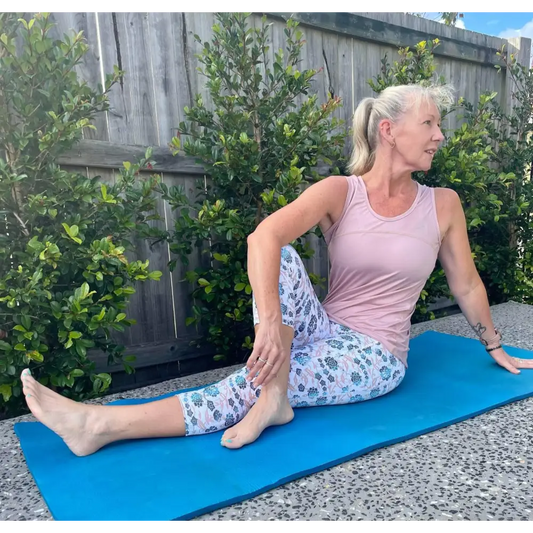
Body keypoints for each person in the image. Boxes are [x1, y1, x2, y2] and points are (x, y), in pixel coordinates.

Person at [20, 83, 533, 457]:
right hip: (322, 327)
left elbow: (466, 281)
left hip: (375, 354)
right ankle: (274, 394)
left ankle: (101, 426)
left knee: (254, 380)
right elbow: (262, 238)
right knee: (279, 253)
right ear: (389, 131)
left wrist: (494, 345)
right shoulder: (341, 192)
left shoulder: (442, 204)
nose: (440, 135)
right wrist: (270, 325)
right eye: (429, 124)